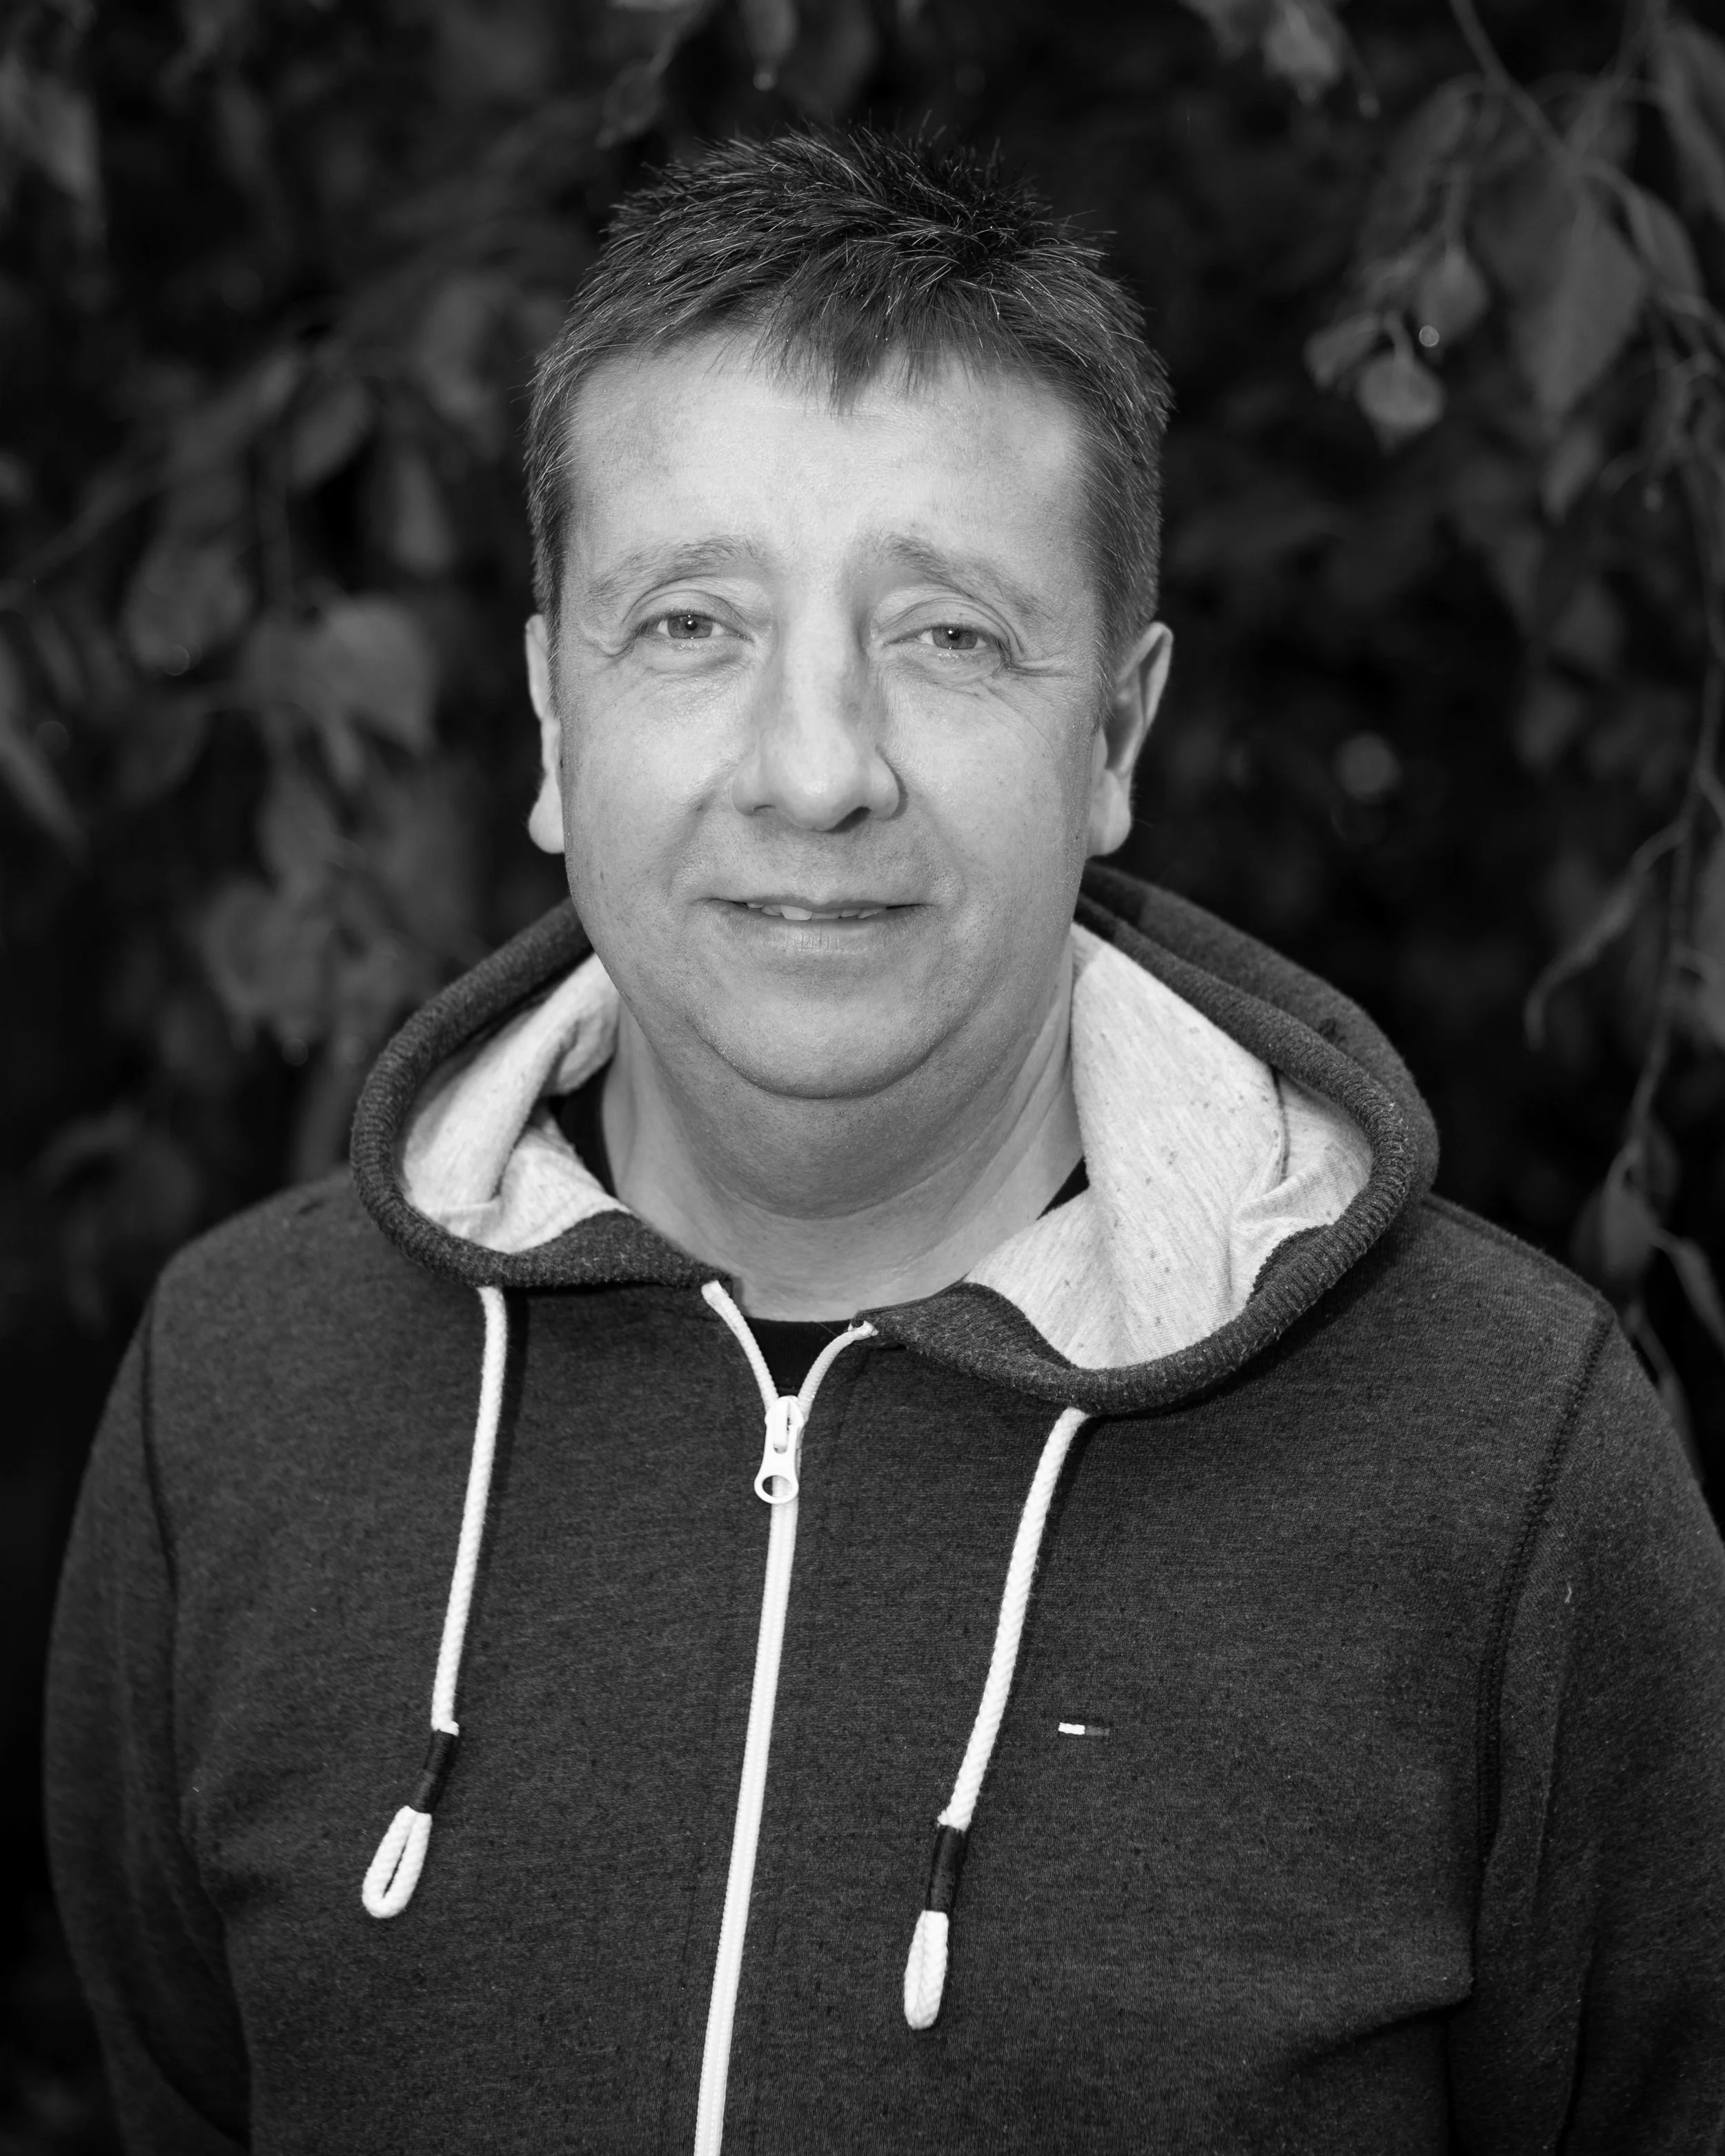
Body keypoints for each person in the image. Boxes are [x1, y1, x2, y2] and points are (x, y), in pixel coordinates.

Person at [46, 128, 1725, 2156]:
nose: (817, 769)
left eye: (945, 633)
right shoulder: (233, 1397)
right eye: (688, 624)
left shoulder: (1512, 1469)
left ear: (1112, 734)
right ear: (551, 724)